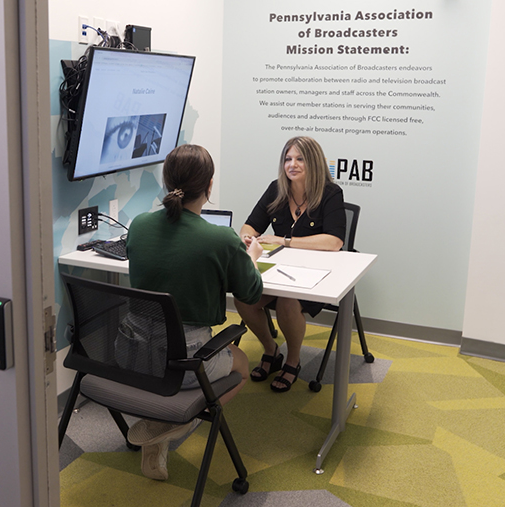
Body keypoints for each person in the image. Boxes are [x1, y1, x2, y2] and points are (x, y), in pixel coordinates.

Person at [124, 143, 265, 480]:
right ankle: (176, 421)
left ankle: (156, 442)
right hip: (185, 364)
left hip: (131, 354)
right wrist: (252, 259)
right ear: (209, 186)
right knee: (243, 365)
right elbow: (251, 292)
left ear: (166, 180)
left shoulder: (139, 225)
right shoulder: (221, 239)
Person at [234, 136, 346, 392]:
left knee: (287, 302)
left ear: (314, 162)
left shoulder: (330, 193)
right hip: (277, 272)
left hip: (317, 276)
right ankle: (271, 350)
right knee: (243, 298)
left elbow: (334, 242)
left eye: (299, 159)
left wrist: (285, 241)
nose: (292, 164)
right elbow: (249, 225)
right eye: (287, 159)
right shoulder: (276, 189)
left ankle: (293, 359)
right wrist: (247, 237)